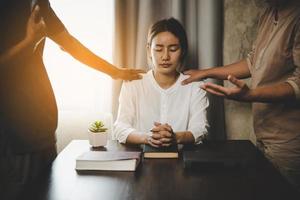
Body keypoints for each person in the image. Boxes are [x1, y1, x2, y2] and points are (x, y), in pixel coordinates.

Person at [0, 0, 144, 186]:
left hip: (40, 124)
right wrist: (30, 42)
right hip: (12, 133)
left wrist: (116, 72)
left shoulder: (38, 3)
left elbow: (70, 44)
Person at [182, 0, 300, 190]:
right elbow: (253, 62)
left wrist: (250, 94)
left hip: (289, 142)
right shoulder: (269, 13)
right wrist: (206, 72)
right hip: (264, 135)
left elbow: (298, 84)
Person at [114, 18, 209, 147]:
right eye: (158, 49)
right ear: (149, 50)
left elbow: (200, 129)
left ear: (183, 51)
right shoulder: (132, 84)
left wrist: (175, 137)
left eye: (173, 49)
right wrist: (147, 137)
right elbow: (120, 128)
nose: (165, 57)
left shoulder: (195, 86)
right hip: (140, 160)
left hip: (183, 161)